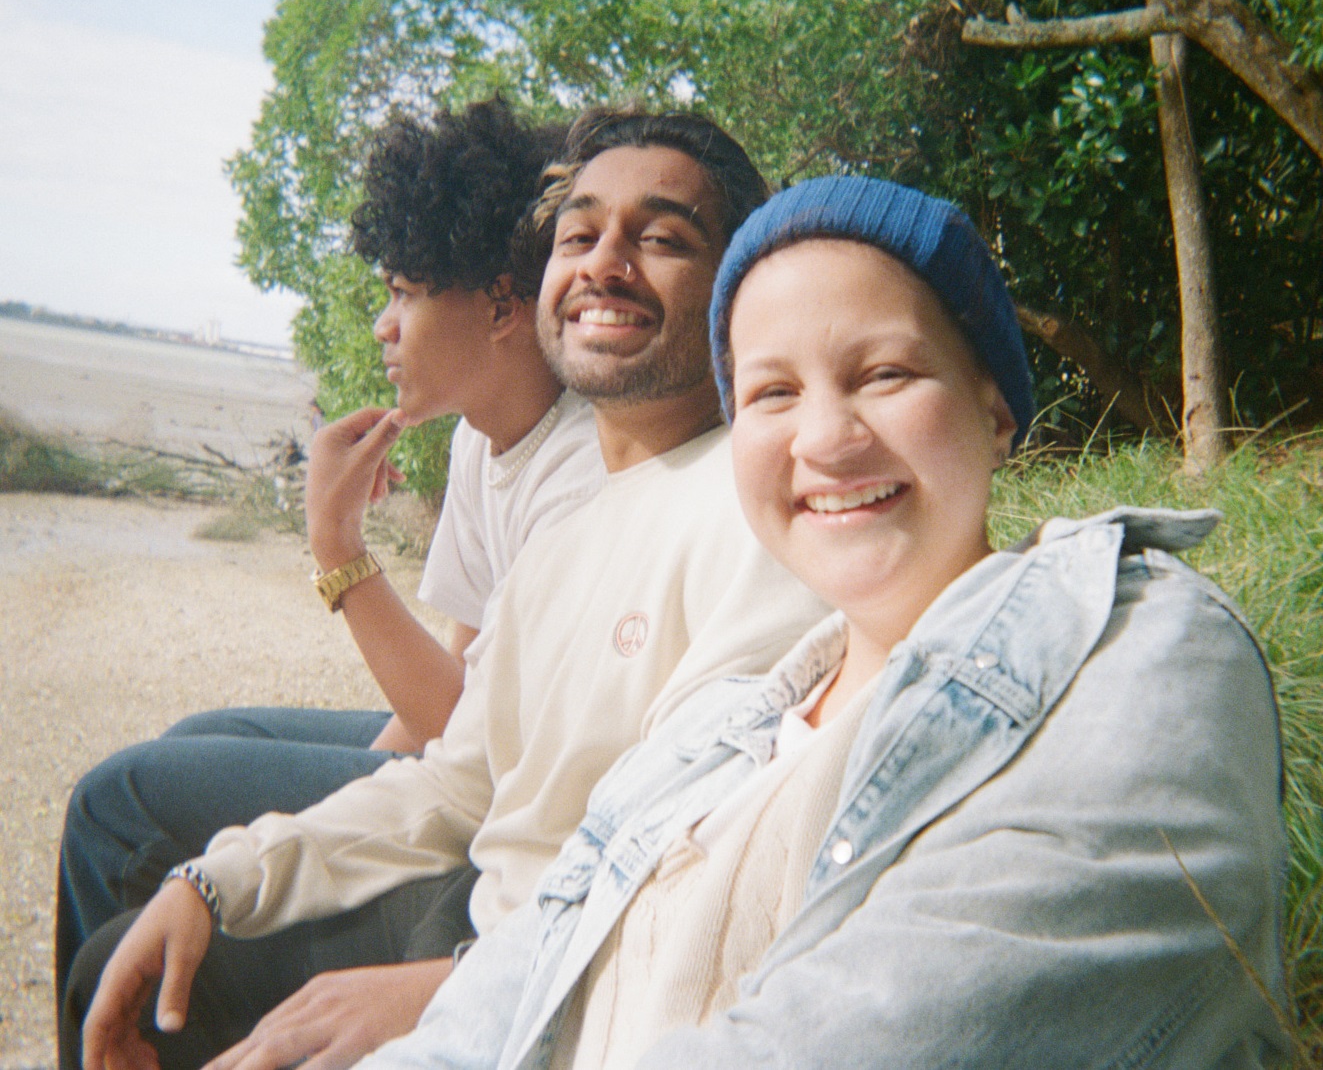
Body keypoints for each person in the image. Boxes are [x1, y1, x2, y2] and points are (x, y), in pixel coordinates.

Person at [360, 175, 1291, 1069]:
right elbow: (522, 970)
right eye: (771, 393)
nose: (826, 440)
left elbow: (905, 1026)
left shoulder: (1143, 644)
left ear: (995, 409)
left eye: (883, 373)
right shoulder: (711, 732)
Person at [71, 109, 830, 1070]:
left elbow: (698, 880)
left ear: (735, 289)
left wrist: (448, 988)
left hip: (532, 979)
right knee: (130, 957)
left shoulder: (753, 508)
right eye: (578, 234)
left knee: (126, 830)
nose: (604, 263)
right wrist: (219, 879)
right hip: (489, 916)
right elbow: (459, 771)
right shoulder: (566, 538)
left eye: (662, 237)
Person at [53, 97, 607, 1017]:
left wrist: (338, 551)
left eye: (403, 292)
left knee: (116, 801)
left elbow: (465, 733)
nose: (384, 327)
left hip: (504, 785)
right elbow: (450, 684)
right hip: (462, 737)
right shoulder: (482, 435)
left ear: (504, 304)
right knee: (190, 742)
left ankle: (137, 1013)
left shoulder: (582, 467)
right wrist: (337, 803)